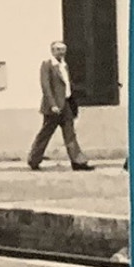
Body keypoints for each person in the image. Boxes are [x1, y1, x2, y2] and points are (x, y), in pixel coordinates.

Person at [27, 41, 93, 172]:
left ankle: (78, 161)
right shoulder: (48, 65)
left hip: (66, 104)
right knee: (45, 134)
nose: (61, 52)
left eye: (63, 49)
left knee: (70, 134)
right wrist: (52, 105)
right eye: (58, 49)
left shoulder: (64, 65)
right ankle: (33, 159)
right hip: (54, 107)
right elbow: (46, 87)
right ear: (52, 51)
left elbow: (67, 85)